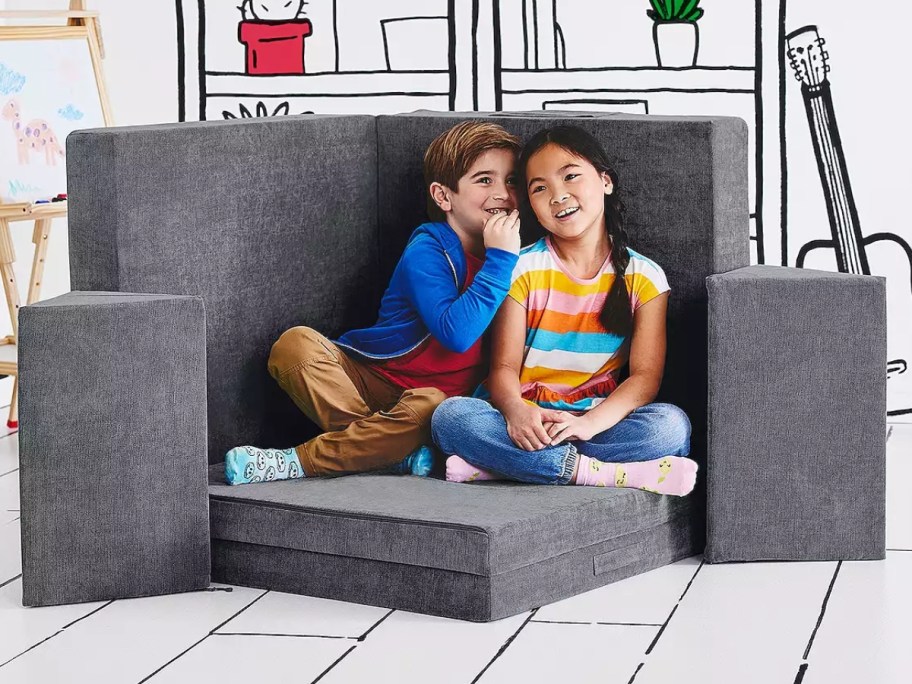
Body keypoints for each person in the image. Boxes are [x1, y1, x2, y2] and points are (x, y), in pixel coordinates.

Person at [224, 120, 523, 485]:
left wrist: (504, 258)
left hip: (433, 408)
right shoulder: (429, 249)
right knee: (294, 345)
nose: (503, 194)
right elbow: (456, 332)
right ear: (443, 197)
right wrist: (501, 261)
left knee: (430, 404)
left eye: (512, 181)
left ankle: (300, 460)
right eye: (484, 180)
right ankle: (383, 451)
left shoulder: (523, 259)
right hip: (372, 382)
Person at [431, 125, 698, 496]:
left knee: (671, 426)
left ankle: (505, 466)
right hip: (527, 419)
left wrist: (587, 425)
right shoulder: (521, 268)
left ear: (605, 181)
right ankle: (595, 473)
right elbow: (503, 369)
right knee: (451, 418)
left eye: (571, 176)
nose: (558, 196)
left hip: (597, 420)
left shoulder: (645, 276)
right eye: (539, 188)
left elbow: (644, 379)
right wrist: (516, 412)